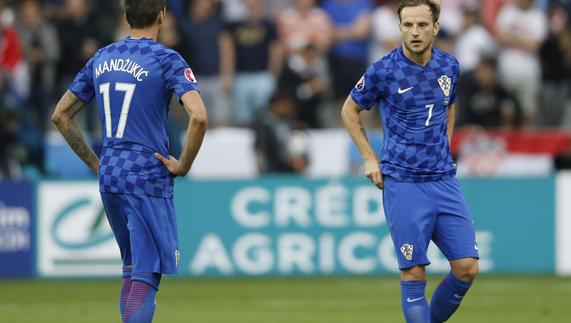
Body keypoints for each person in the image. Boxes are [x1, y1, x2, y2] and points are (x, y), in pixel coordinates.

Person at [51, 0, 208, 322]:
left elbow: (61, 115)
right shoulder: (167, 59)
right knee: (147, 273)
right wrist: (183, 165)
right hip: (145, 175)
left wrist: (96, 163)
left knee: (132, 267)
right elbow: (199, 117)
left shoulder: (102, 57)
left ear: (126, 17)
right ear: (162, 16)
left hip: (110, 175)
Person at [340, 1, 479, 323]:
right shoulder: (383, 70)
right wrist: (369, 159)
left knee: (467, 268)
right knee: (414, 271)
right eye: (408, 25)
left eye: (421, 25)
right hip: (403, 182)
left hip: (443, 179)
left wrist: (445, 144)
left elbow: (449, 105)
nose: (415, 32)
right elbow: (349, 111)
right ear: (399, 27)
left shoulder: (450, 66)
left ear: (436, 27)